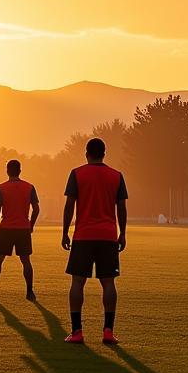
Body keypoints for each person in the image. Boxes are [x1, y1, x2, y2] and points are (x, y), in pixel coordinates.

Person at [61, 137, 128, 345]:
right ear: (104, 153)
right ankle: (108, 331)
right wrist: (122, 233)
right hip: (108, 235)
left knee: (77, 282)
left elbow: (69, 205)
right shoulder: (116, 176)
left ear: (86, 153)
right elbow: (122, 208)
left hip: (83, 235)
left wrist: (65, 232)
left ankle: (77, 331)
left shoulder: (77, 174)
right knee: (108, 282)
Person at [0, 159, 39, 301]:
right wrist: (31, 224)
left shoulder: (1, 188)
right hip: (23, 229)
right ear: (20, 171)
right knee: (26, 261)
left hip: (6, 228)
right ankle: (30, 292)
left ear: (7, 171)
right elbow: (36, 209)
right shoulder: (29, 187)